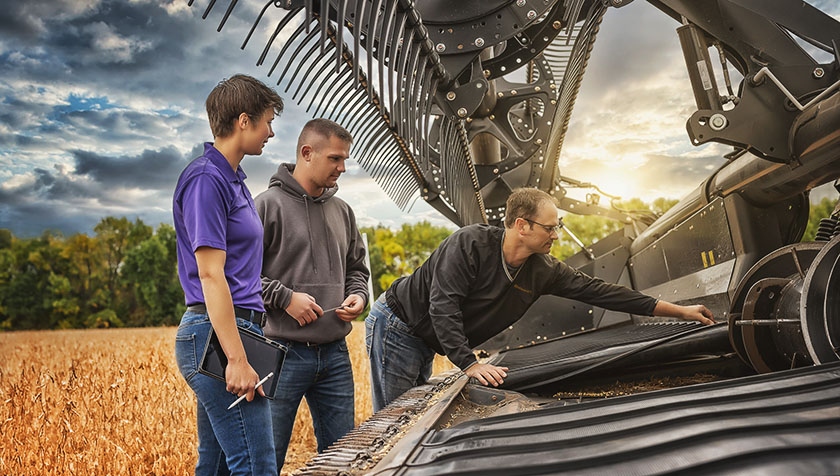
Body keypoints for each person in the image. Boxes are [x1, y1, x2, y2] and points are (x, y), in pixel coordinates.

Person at [365, 187, 716, 412]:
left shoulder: (543, 269)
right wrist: (470, 364)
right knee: (396, 422)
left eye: (557, 225)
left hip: (425, 339)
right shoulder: (468, 245)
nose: (556, 234)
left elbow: (603, 292)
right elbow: (443, 305)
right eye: (550, 228)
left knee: (410, 414)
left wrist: (680, 311)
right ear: (522, 226)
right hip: (398, 325)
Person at [172, 74, 283, 476]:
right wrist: (235, 357)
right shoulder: (207, 179)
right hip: (217, 337)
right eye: (267, 121)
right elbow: (210, 274)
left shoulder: (232, 179)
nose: (271, 132)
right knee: (256, 467)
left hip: (236, 331)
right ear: (243, 121)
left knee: (216, 465)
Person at [255, 118, 370, 472]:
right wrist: (285, 298)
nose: (343, 167)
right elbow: (238, 278)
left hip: (335, 354)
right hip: (279, 354)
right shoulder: (265, 206)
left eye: (345, 159)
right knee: (266, 460)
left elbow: (357, 270)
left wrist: (358, 297)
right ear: (307, 153)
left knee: (343, 459)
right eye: (335, 158)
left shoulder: (343, 211)